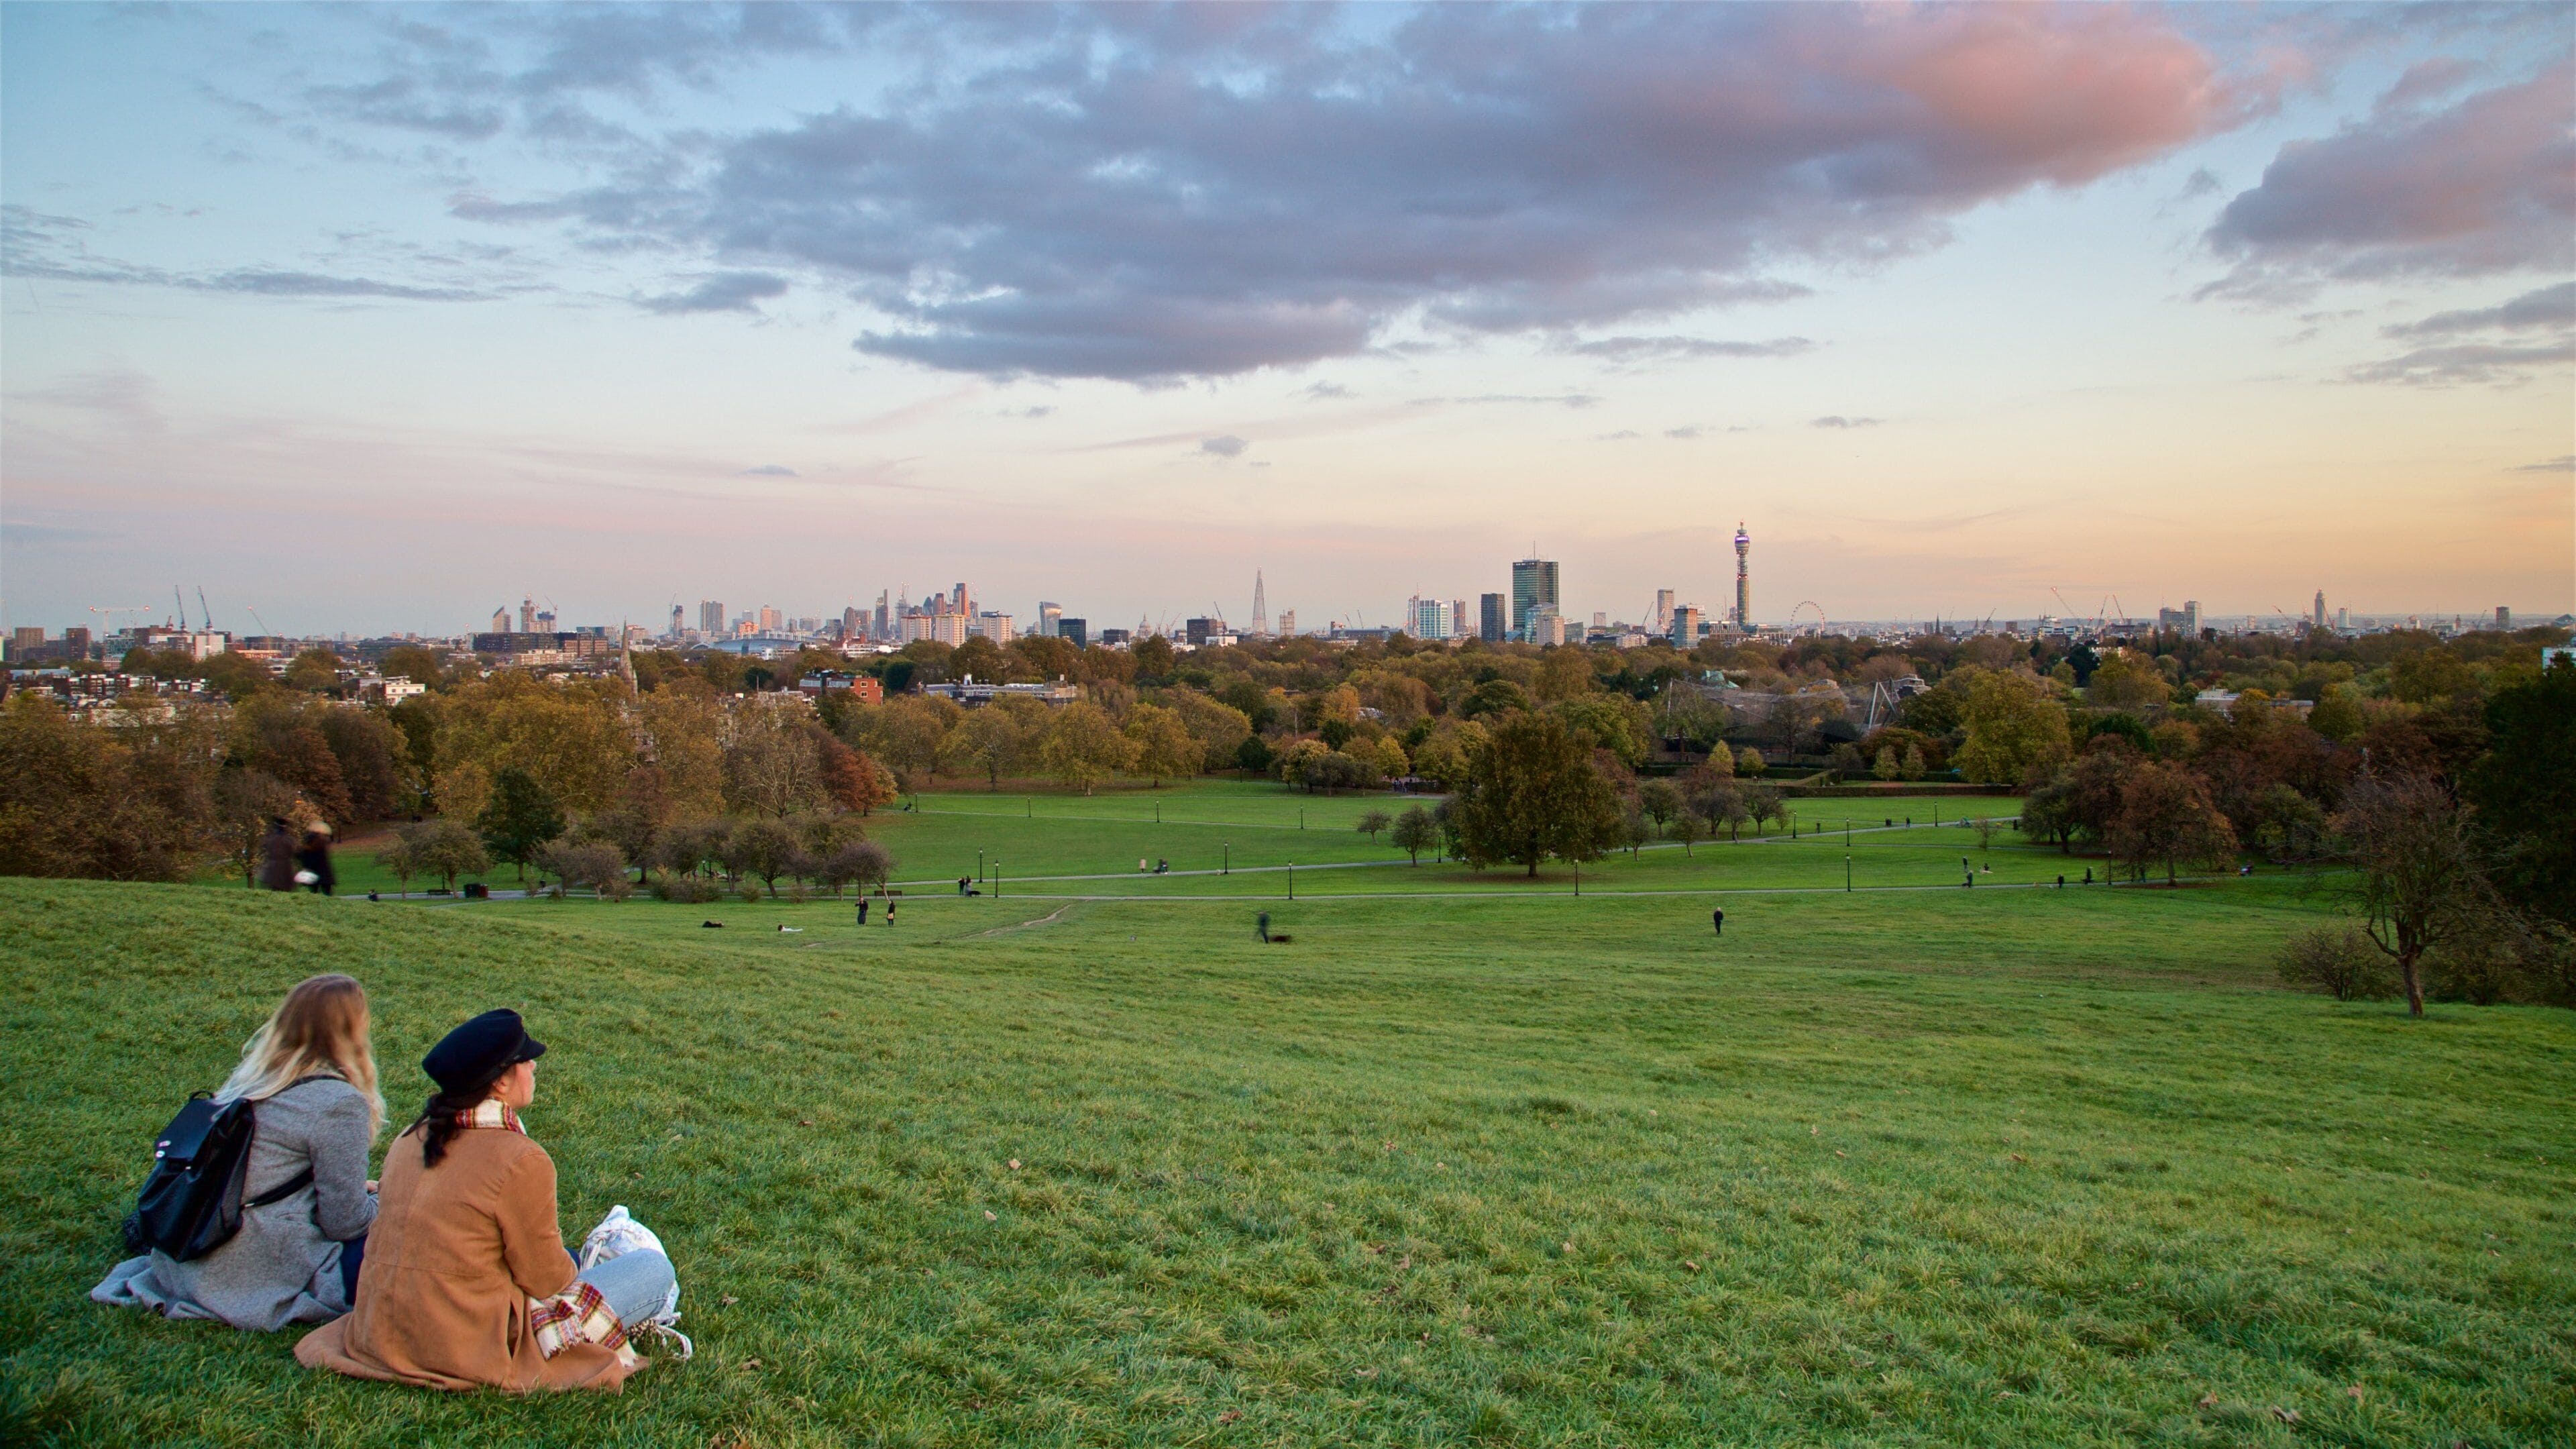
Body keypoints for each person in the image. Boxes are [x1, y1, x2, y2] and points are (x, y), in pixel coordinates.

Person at [295, 1010, 672, 1393]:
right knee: (652, 1268)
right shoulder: (522, 1159)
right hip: (466, 1342)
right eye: (527, 1060)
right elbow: (545, 1279)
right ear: (501, 1081)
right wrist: (568, 1266)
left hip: (384, 1330)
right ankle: (605, 1257)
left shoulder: (410, 1139)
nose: (534, 1067)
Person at [94, 975, 384, 1330]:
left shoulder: (252, 1081)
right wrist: (385, 1200)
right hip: (247, 1271)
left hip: (190, 1256)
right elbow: (345, 1222)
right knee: (410, 1236)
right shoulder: (338, 1102)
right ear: (353, 1030)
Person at [298, 824, 337, 896]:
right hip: (324, 874)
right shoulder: (322, 847)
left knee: (314, 893)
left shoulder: (306, 851)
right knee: (328, 893)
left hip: (313, 874)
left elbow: (301, 857)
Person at [260, 818, 297, 891]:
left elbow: (265, 848)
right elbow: (293, 852)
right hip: (285, 867)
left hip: (274, 867)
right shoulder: (289, 840)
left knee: (275, 888)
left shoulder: (270, 839)